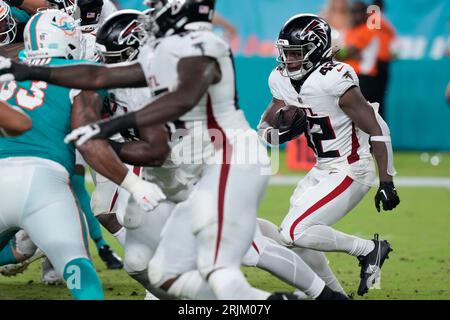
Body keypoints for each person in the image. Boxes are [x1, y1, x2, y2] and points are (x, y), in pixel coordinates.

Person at [258, 14, 400, 296]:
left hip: (350, 168)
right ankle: (333, 295)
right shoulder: (280, 79)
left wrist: (387, 180)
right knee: (294, 240)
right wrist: (280, 134)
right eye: (286, 53)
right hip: (322, 169)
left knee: (295, 230)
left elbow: (377, 127)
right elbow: (265, 127)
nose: (289, 61)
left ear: (317, 49)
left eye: (296, 54)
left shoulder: (334, 79)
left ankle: (369, 249)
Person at [0, 9, 105, 299]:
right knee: (76, 264)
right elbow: (91, 141)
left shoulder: (6, 70)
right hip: (46, 184)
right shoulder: (81, 72)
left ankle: (20, 251)